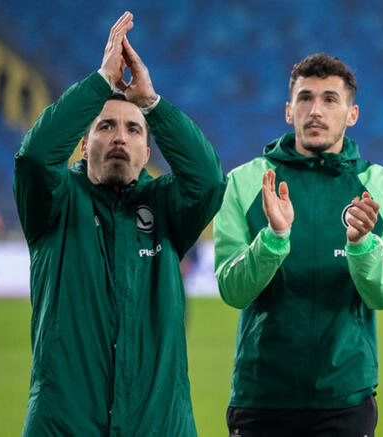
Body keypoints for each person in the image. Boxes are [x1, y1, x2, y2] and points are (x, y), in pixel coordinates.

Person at [13, 12, 225, 436]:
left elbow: (208, 180)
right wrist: (98, 84)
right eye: (105, 126)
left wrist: (152, 104)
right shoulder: (54, 204)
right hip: (65, 425)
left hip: (158, 423)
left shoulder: (165, 205)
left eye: (133, 129)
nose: (119, 137)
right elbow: (36, 158)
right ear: (84, 143)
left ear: (148, 151)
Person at [213, 53, 383, 437]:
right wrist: (273, 239)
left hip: (345, 397)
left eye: (329, 99)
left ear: (352, 114)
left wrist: (361, 244)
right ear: (289, 110)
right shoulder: (245, 182)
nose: (315, 110)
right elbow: (232, 290)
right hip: (262, 396)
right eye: (305, 98)